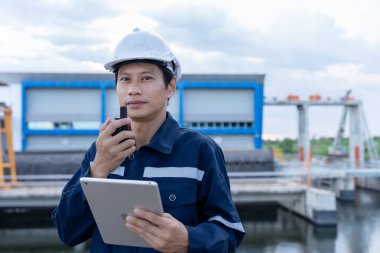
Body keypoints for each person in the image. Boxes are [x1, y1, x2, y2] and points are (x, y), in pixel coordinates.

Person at [51, 28, 245, 252]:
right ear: (116, 87)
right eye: (125, 79)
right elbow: (67, 232)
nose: (133, 89)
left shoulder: (200, 150)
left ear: (170, 86)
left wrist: (188, 240)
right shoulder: (101, 150)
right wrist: (98, 169)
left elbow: (229, 233)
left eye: (146, 78)